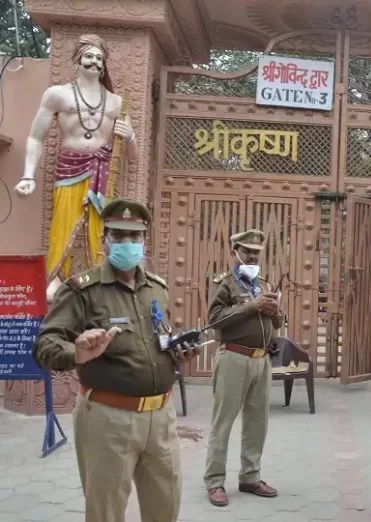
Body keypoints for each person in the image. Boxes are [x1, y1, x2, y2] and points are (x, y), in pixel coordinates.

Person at [32, 198, 199, 522]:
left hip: (161, 418)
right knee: (105, 513)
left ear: (145, 240)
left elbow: (158, 339)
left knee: (166, 507)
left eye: (135, 236)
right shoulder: (83, 290)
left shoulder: (157, 289)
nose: (127, 243)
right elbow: (44, 345)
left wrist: (177, 354)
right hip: (108, 418)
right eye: (118, 236)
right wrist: (76, 352)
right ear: (104, 240)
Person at [15, 34, 137, 303]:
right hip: (69, 169)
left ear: (104, 64)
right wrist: (28, 175)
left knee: (101, 225)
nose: (94, 61)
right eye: (88, 56)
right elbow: (36, 137)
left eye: (99, 58)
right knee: (63, 221)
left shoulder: (116, 102)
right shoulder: (57, 95)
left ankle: (102, 276)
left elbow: (133, 156)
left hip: (103, 173)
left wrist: (129, 136)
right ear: (77, 59)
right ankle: (56, 278)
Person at [204, 229, 283, 507]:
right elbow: (214, 320)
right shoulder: (224, 283)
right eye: (247, 251)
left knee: (257, 422)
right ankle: (215, 480)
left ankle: (250, 476)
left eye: (256, 252)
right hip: (233, 358)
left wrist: (275, 311)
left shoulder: (264, 283)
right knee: (223, 422)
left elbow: (277, 323)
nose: (252, 256)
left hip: (262, 360)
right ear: (234, 251)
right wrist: (250, 307)